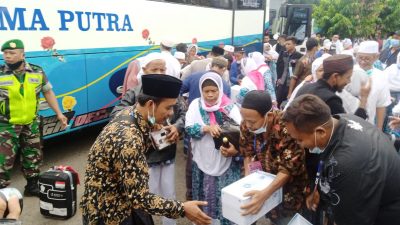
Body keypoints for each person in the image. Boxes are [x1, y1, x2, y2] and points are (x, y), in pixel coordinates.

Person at [81, 74, 212, 225]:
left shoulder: (132, 113)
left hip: (123, 202)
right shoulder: (128, 139)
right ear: (150, 105)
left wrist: (156, 135)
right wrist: (182, 208)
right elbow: (139, 198)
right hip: (109, 214)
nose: (171, 113)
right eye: (168, 107)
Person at [283, 94, 400, 225]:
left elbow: (351, 219)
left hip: (383, 215)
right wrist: (321, 192)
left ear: (320, 132)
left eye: (300, 139)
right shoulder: (341, 119)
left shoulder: (348, 165)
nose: (300, 145)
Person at [225, 90, 307, 225]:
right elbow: (247, 153)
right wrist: (247, 180)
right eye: (245, 119)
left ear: (268, 116)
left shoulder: (287, 127)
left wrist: (265, 194)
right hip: (260, 180)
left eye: (252, 122)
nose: (247, 125)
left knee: (285, 220)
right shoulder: (246, 124)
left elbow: (288, 168)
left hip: (287, 189)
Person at [0, 39, 67, 196]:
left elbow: (48, 92)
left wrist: (59, 113)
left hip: (31, 123)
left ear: (22, 55)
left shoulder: (37, 72)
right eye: (5, 53)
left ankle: (32, 186)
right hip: (6, 125)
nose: (7, 56)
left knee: (33, 155)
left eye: (11, 53)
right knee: (3, 161)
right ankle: (2, 193)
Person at [185, 72, 242, 225]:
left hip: (226, 161)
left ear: (220, 89)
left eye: (214, 91)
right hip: (202, 160)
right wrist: (206, 128)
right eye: (206, 91)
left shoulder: (230, 107)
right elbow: (188, 127)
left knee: (224, 196)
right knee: (204, 193)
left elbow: (242, 134)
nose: (210, 95)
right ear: (201, 91)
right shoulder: (195, 105)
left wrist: (234, 149)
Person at [296, 54, 370, 120]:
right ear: (335, 76)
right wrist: (363, 100)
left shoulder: (305, 87)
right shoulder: (331, 100)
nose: (348, 82)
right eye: (347, 77)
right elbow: (349, 128)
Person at [356, 41, 391, 129]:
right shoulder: (350, 72)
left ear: (376, 57)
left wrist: (379, 129)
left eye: (367, 59)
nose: (362, 62)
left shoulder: (381, 76)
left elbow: (381, 105)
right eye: (360, 58)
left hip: (368, 124)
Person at [276, 36, 303, 107]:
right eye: (286, 44)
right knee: (277, 100)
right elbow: (279, 66)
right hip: (282, 81)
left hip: (291, 82)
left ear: (294, 45)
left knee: (289, 102)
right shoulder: (283, 54)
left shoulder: (299, 56)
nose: (286, 46)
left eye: (289, 44)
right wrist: (278, 78)